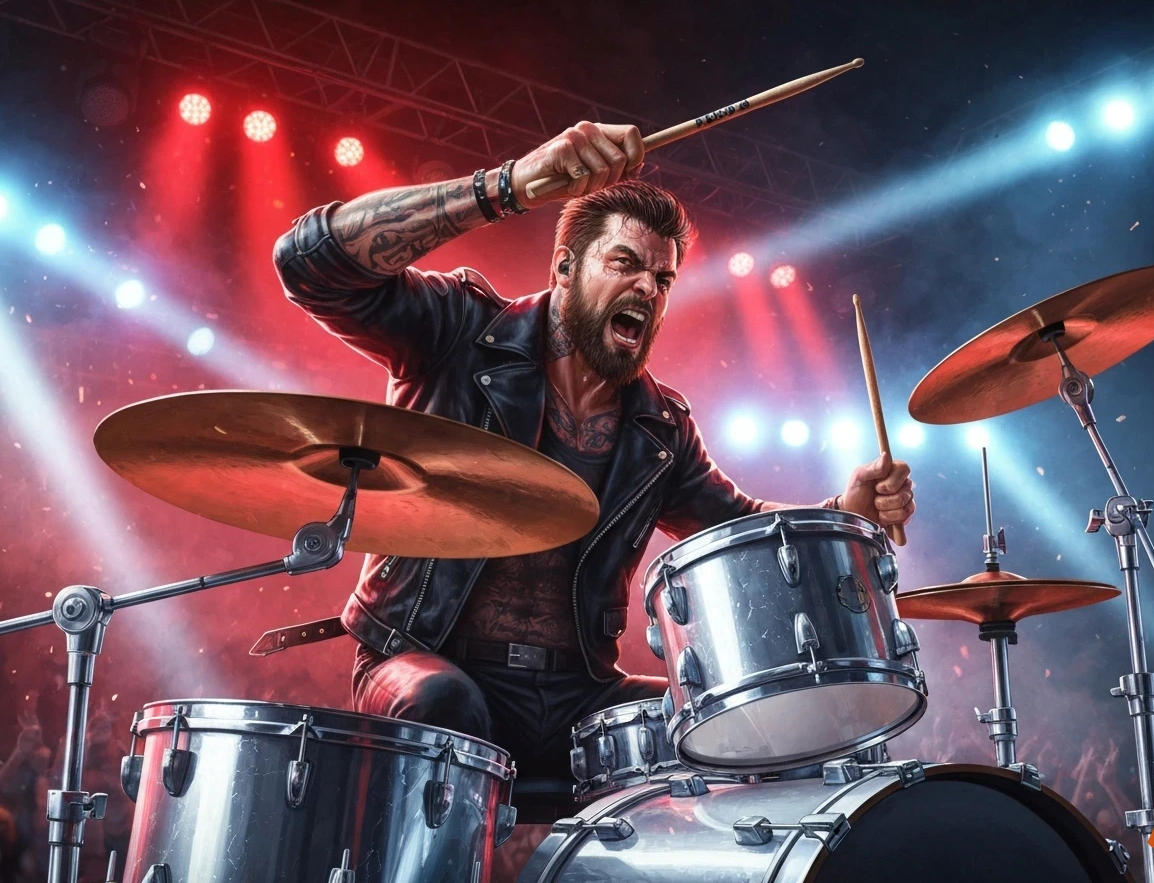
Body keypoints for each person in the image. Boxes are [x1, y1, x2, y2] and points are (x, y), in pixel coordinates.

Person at [274, 121, 917, 784]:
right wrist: (505, 187)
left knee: (746, 731)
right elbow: (309, 264)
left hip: (580, 694)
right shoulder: (460, 332)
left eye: (663, 278)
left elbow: (743, 528)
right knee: (445, 703)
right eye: (625, 264)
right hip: (423, 663)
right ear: (564, 268)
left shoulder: (659, 428)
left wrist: (845, 511)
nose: (648, 287)